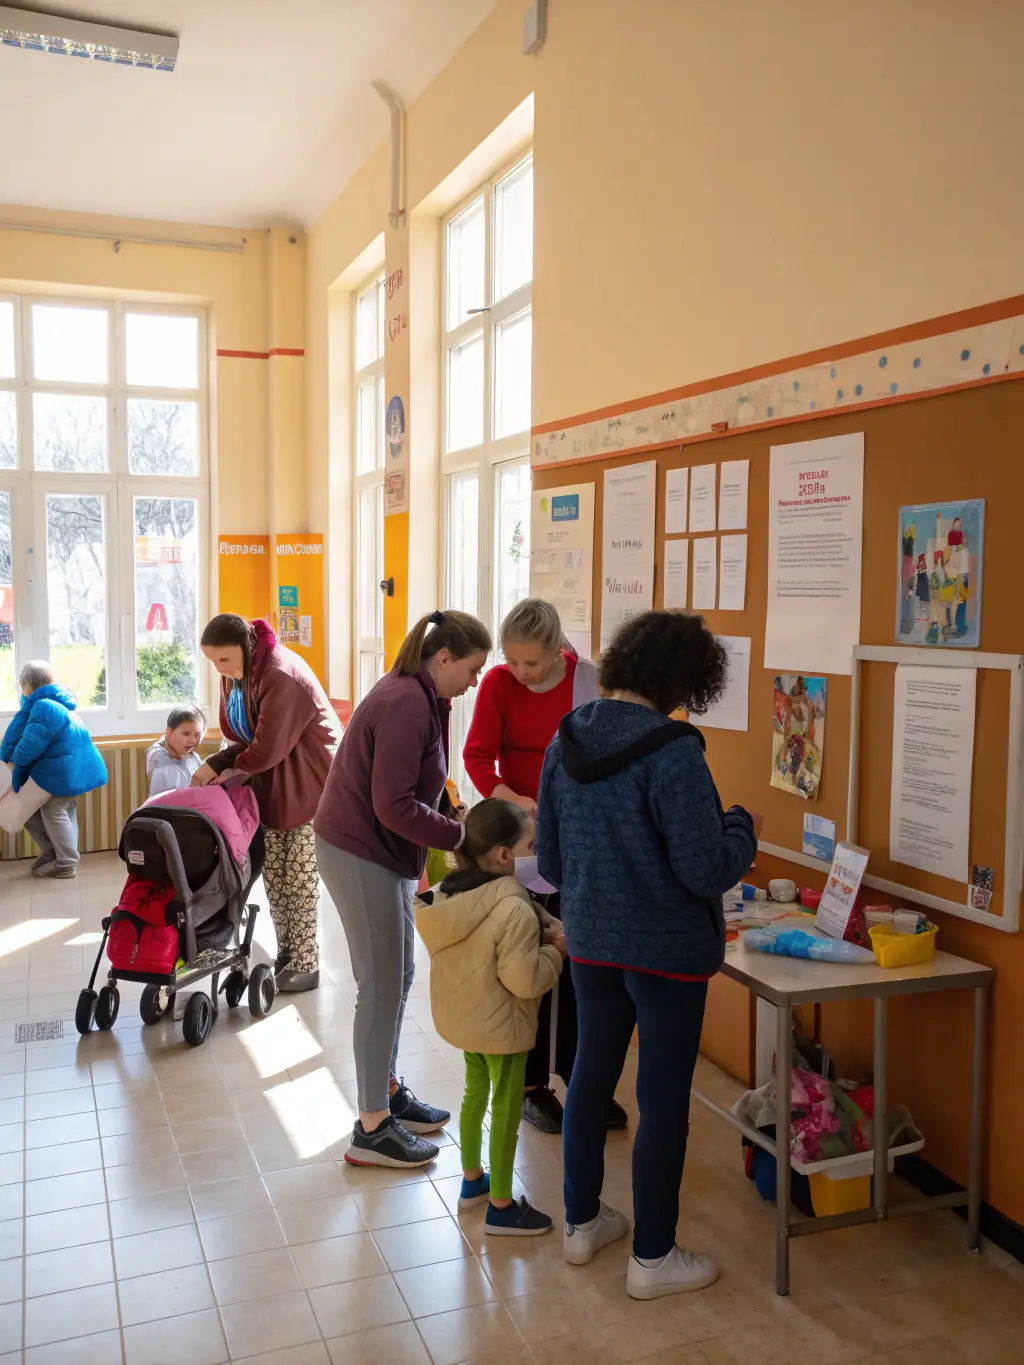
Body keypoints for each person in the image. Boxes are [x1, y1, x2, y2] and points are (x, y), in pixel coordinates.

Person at [536, 610, 760, 1301]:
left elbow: (549, 857)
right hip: (666, 952)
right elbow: (704, 868)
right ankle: (653, 1259)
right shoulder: (674, 752)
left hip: (592, 942)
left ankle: (580, 1224)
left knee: (592, 1078)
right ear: (682, 681)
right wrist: (741, 827)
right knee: (661, 1098)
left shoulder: (567, 735)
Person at [314, 609, 491, 1170]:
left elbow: (420, 784)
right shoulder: (406, 704)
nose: (475, 681)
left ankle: (386, 1093)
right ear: (444, 659)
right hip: (358, 849)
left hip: (382, 852)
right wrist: (460, 836)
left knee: (400, 975)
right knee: (380, 984)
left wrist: (451, 813)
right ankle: (371, 1128)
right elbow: (391, 805)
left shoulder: (426, 697)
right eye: (473, 669)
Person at [463, 598, 625, 1136]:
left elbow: (608, 753)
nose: (521, 672)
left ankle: (583, 1080)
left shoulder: (589, 682)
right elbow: (478, 757)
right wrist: (510, 799)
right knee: (526, 961)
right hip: (523, 834)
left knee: (580, 962)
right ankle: (533, 1086)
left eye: (531, 663)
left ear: (559, 651)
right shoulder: (497, 685)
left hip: (578, 832)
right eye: (513, 661)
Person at [416, 798, 565, 1235]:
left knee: (474, 1094)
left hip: (466, 1020)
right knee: (505, 1106)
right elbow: (524, 980)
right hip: (503, 1025)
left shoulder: (447, 896)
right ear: (504, 854)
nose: (535, 852)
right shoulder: (513, 907)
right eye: (530, 844)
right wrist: (555, 953)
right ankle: (501, 1205)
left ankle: (472, 1181)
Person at [192, 615, 342, 993]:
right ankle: (288, 953)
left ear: (244, 648)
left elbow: (268, 747)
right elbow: (245, 738)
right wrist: (217, 763)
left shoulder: (280, 675)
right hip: (273, 781)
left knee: (299, 876)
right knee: (275, 875)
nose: (219, 670)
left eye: (223, 660)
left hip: (310, 783)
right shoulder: (241, 674)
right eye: (213, 662)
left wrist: (228, 770)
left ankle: (307, 963)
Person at [0, 661, 107, 879]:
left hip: (63, 773)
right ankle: (56, 853)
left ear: (27, 687)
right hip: (73, 772)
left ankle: (66, 862)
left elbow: (31, 743)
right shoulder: (61, 704)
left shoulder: (44, 706)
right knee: (59, 810)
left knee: (51, 810)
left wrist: (15, 761)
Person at [147, 705, 206, 796]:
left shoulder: (193, 756)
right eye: (186, 734)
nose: (193, 740)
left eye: (197, 735)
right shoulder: (158, 756)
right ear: (169, 733)